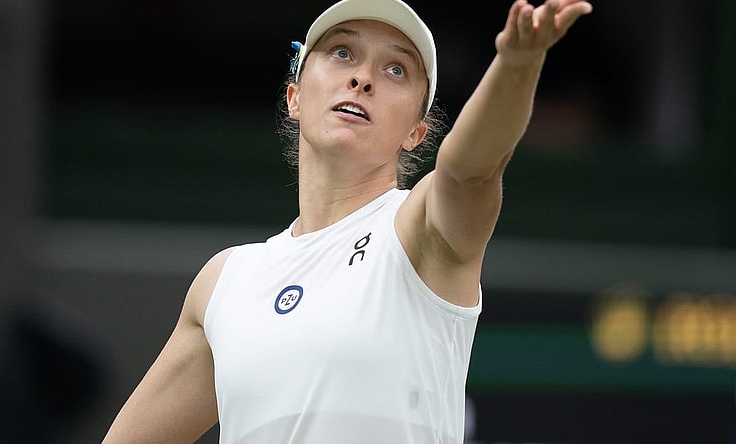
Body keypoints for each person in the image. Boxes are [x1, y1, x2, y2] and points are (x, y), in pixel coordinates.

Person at [102, 0, 592, 442]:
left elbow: (470, 170)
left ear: (416, 132)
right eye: (342, 53)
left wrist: (515, 66)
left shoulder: (420, 229)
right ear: (295, 96)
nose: (363, 78)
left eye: (396, 69)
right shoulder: (224, 281)